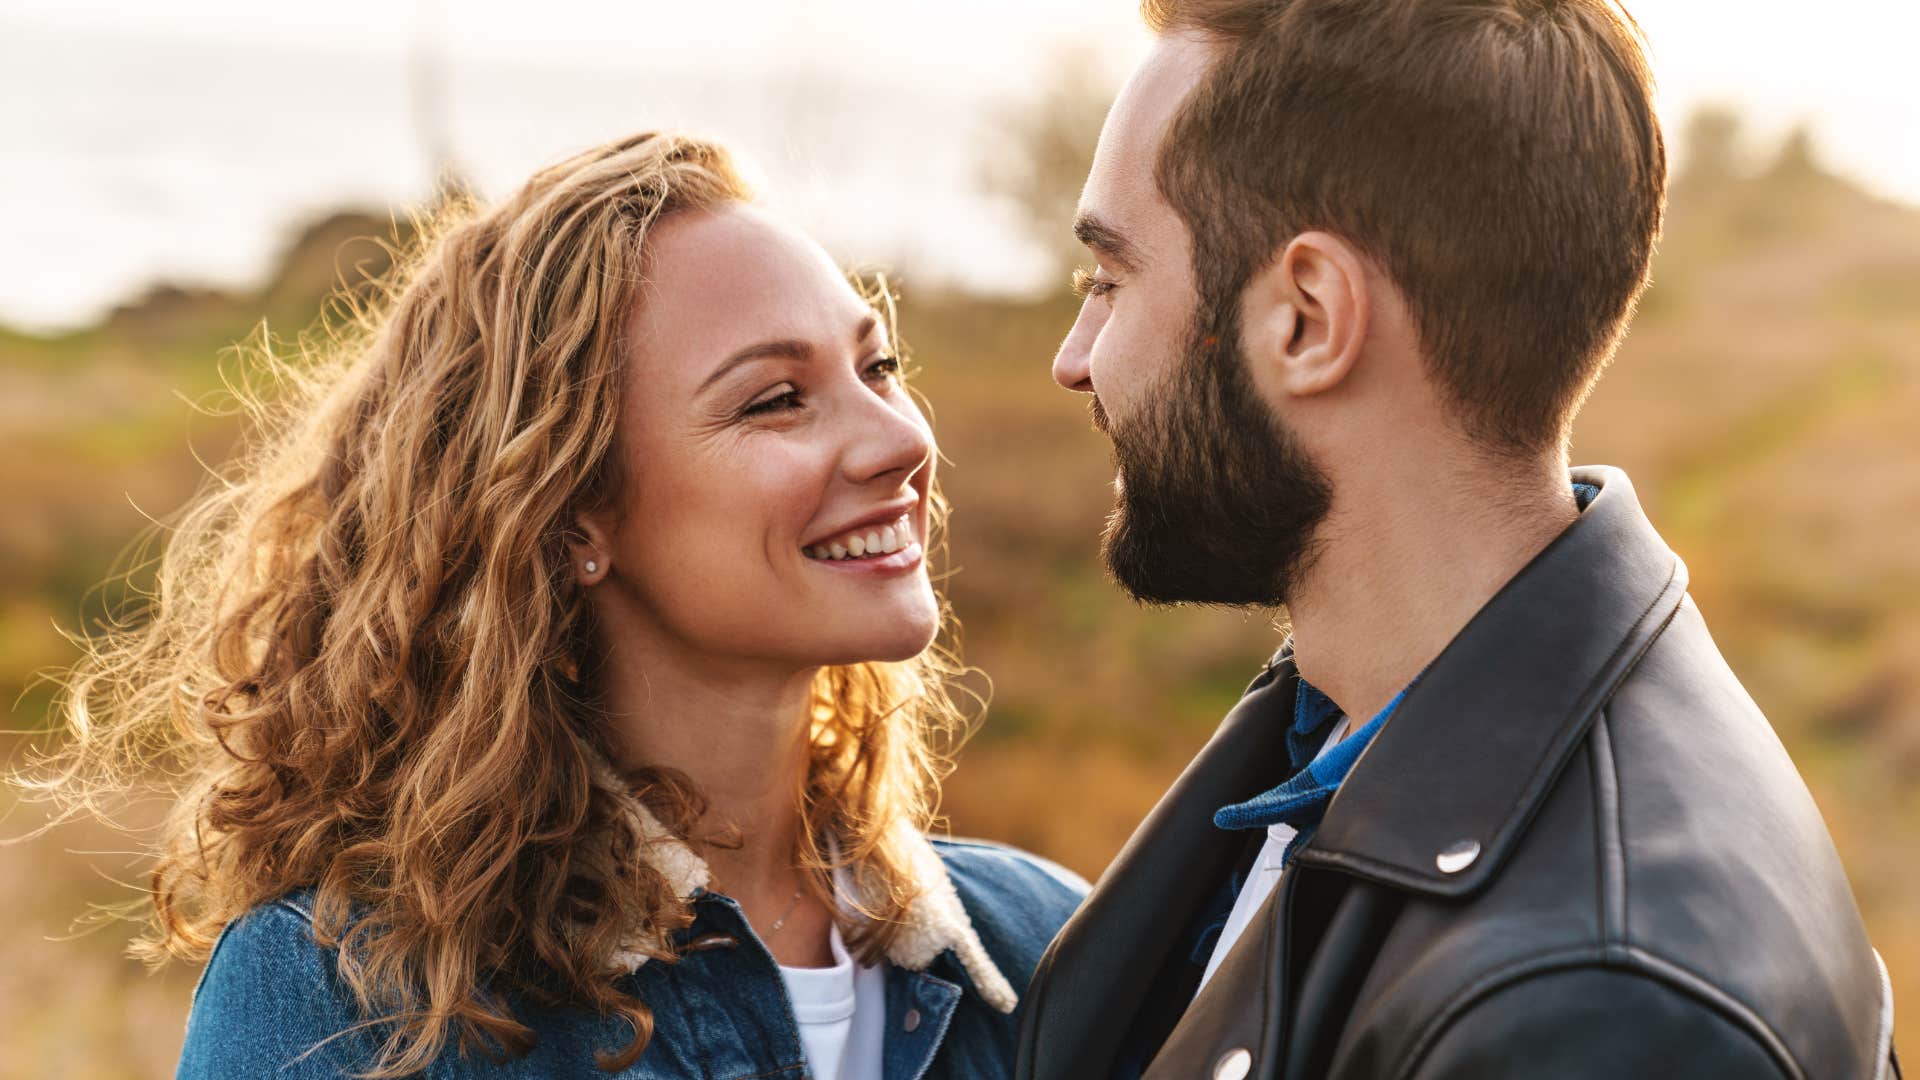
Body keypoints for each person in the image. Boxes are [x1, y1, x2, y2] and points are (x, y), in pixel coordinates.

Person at [34, 132, 1084, 1079]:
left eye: (879, 367)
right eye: (777, 400)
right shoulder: (354, 1004)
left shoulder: (1058, 946)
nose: (901, 441)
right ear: (575, 514)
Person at [1015, 2, 1899, 1078]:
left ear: (1307, 319)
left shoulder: (1594, 1010)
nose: (1076, 357)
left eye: (1110, 280)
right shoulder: (1337, 724)